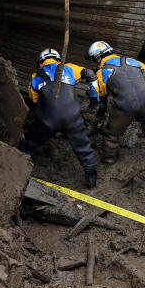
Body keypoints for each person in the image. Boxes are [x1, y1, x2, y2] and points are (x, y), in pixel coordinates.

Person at [19, 49, 99, 188]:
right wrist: (94, 96)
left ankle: (17, 163)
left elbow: (34, 99)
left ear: (40, 63)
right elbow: (89, 74)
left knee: (29, 142)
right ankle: (91, 177)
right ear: (59, 60)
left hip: (47, 120)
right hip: (72, 116)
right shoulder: (68, 68)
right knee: (83, 147)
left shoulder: (36, 76)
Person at [86, 41, 145, 165]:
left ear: (99, 58)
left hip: (125, 105)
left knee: (111, 135)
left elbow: (102, 99)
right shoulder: (136, 62)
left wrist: (99, 116)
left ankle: (108, 161)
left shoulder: (102, 72)